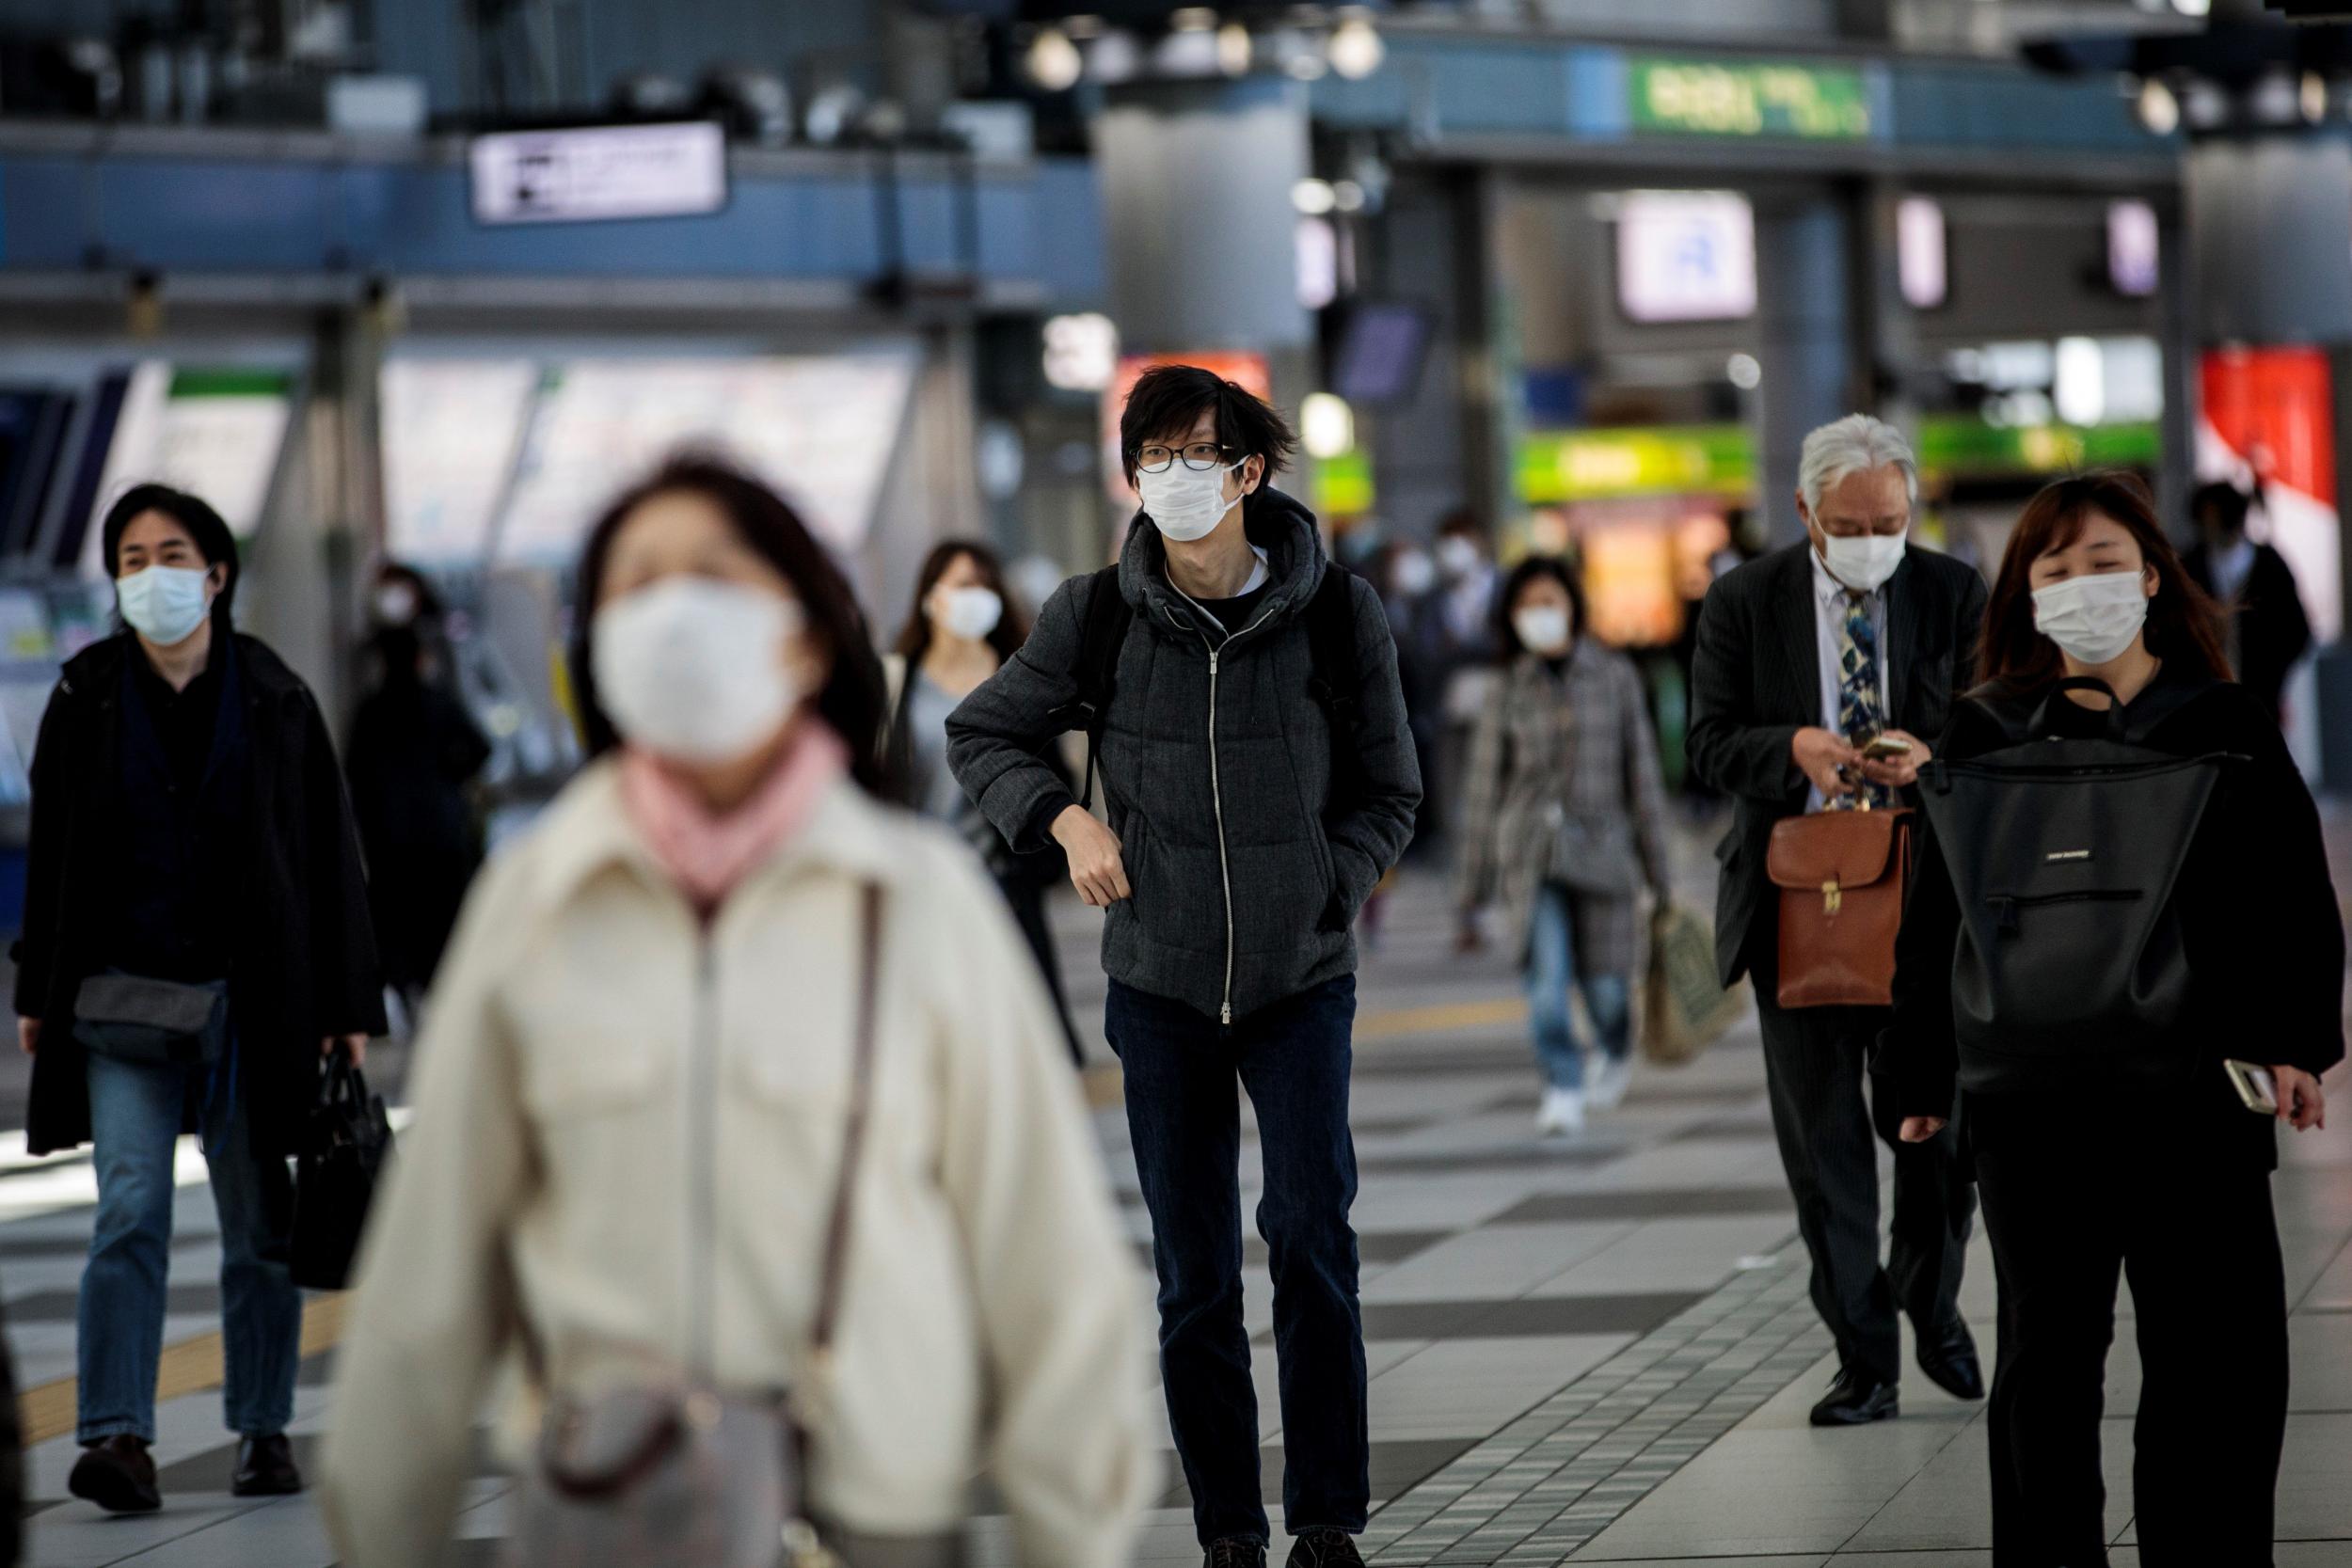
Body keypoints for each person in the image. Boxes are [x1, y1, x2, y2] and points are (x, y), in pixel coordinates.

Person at [321, 456, 1152, 1568]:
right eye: (635, 587)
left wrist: (1077, 1536)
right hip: (602, 1511)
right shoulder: (538, 905)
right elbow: (428, 1277)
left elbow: (1044, 1264)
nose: (673, 613)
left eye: (712, 576)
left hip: (870, 1515)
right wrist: (381, 1527)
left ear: (806, 635)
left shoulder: (912, 901)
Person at [946, 365, 1421, 1568]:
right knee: (1194, 1273)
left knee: (1312, 1239)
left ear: (1248, 470)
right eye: (1151, 457)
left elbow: (1393, 787)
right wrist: (1066, 819)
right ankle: (1226, 1527)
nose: (1173, 477)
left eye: (1195, 454)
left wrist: (1331, 879)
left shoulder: (1334, 610)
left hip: (1299, 977)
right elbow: (982, 730)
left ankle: (1325, 1517)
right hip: (1157, 986)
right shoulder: (1093, 612)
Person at [1885, 471, 2343, 1566]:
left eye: (2101, 562)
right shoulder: (1981, 730)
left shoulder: (2221, 720)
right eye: (2053, 569)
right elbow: (1931, 918)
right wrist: (1914, 1079)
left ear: (2148, 574)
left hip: (2198, 1084)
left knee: (2213, 1357)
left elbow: (2290, 892)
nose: (2080, 585)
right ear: (2025, 594)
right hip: (2029, 1098)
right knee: (2046, 1360)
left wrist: (2294, 1043)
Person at [12, 483, 384, 1513]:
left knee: (256, 1223)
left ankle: (262, 1427)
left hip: (250, 1000)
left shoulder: (275, 695)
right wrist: (39, 983)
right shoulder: (85, 697)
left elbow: (325, 856)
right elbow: (56, 856)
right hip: (120, 998)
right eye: (129, 559)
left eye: (169, 555)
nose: (149, 577)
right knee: (126, 1209)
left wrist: (348, 1001)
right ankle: (119, 1434)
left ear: (216, 574)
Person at [1686, 414, 1984, 1428]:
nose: (1872, 539)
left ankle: (1930, 1294)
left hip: (1927, 902)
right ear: (1807, 510)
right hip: (1797, 903)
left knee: (1939, 1134)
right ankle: (1864, 1356)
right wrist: (1796, 747)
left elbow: (1995, 728)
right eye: (1851, 522)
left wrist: (1929, 752)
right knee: (1823, 1151)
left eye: (1890, 520)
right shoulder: (1741, 601)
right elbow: (1708, 742)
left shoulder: (1951, 591)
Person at [1455, 557, 1671, 1135]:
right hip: (1530, 856)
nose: (1540, 614)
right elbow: (1482, 789)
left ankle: (1615, 1046)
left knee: (1607, 990)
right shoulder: (1508, 686)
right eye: (1527, 605)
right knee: (1546, 986)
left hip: (1604, 854)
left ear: (1574, 605)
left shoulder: (1615, 675)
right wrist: (1470, 891)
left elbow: (1643, 776)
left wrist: (1661, 876)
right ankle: (1562, 1085)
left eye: (1550, 601)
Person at [883, 538, 1082, 1063]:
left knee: (1017, 1041)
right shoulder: (898, 681)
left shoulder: (1021, 678)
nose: (976, 596)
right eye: (962, 584)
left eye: (983, 585)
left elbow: (1053, 774)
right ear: (930, 598)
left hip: (1005, 888)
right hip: (921, 886)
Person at [345, 566, 491, 1006]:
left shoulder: (369, 714)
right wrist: (449, 777)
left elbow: (352, 773)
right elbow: (479, 749)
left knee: (397, 929)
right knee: (445, 932)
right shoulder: (438, 703)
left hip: (389, 846)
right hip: (443, 837)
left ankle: (403, 996)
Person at [2185, 480, 2312, 725]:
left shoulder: (2269, 566)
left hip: (2263, 693)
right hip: (2206, 696)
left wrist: (2274, 672)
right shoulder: (2191, 566)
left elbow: (2297, 630)